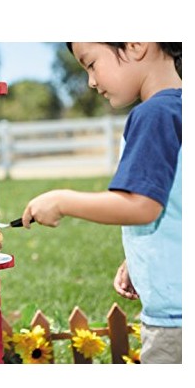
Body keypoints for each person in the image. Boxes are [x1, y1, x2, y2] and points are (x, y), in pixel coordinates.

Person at [21, 43, 182, 363]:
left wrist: (62, 200)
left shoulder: (154, 115)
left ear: (136, 45)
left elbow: (142, 205)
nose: (91, 81)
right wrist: (141, 258)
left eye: (91, 64)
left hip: (175, 321)